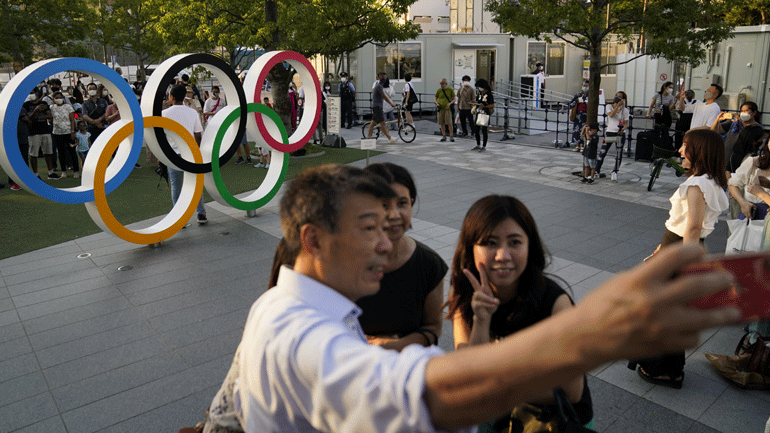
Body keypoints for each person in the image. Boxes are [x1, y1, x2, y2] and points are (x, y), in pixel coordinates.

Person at [214, 163, 739, 433]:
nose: (385, 242)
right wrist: (592, 334)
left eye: (390, 222)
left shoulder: (279, 307)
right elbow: (431, 395)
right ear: (312, 240)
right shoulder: (302, 332)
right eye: (369, 227)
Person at [446, 195, 593, 432]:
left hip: (554, 420)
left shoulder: (555, 304)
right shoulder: (466, 295)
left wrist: (496, 387)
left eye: (514, 242)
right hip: (498, 411)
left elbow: (572, 391)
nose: (503, 255)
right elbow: (471, 375)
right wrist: (481, 321)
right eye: (490, 243)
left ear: (529, 246)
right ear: (471, 247)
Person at [629, 128, 729, 389]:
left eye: (686, 146)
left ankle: (665, 370)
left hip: (682, 249)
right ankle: (669, 369)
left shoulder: (697, 184)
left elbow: (693, 227)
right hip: (678, 245)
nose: (680, 151)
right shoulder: (710, 180)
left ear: (700, 151)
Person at [356, 163, 446, 351]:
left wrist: (392, 346)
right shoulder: (345, 261)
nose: (394, 214)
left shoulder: (430, 265)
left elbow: (433, 327)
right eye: (384, 205)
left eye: (402, 203)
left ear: (412, 203)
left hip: (407, 369)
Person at [162, 84, 207, 225]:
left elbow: (161, 137)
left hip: (173, 154)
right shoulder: (192, 112)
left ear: (172, 97)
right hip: (191, 154)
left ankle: (179, 218)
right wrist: (196, 149)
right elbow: (198, 134)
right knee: (195, 185)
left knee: (176, 187)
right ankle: (201, 214)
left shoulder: (164, 114)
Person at [712, 101, 763, 172]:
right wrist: (717, 120)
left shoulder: (757, 128)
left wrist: (739, 124)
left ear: (754, 113)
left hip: (743, 160)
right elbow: (714, 130)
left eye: (746, 111)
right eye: (742, 111)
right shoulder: (734, 123)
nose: (743, 113)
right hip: (726, 157)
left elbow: (747, 139)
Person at [728, 135, 770, 220]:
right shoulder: (754, 162)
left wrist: (761, 194)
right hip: (749, 217)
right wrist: (743, 203)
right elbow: (733, 183)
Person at [23, 89, 59, 179]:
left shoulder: (43, 103)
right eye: (29, 93)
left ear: (36, 93)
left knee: (48, 152)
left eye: (32, 93)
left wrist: (37, 116)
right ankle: (36, 174)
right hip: (33, 132)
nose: (31, 95)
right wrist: (36, 111)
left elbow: (50, 115)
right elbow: (29, 118)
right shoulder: (26, 105)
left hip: (45, 130)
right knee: (34, 154)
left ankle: (50, 172)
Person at [596, 91, 629, 181]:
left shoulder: (625, 110)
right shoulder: (609, 107)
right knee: (603, 151)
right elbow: (611, 115)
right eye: (616, 96)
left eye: (620, 97)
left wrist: (623, 129)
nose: (617, 98)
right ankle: (597, 170)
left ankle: (615, 171)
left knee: (618, 153)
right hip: (610, 132)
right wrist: (617, 106)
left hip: (619, 133)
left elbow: (626, 123)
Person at [49, 91, 78, 179]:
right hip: (57, 133)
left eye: (60, 97)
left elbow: (72, 119)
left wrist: (72, 131)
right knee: (61, 153)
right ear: (53, 99)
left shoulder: (68, 107)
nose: (59, 99)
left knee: (72, 152)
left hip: (68, 132)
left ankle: (76, 171)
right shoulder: (51, 107)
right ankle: (63, 171)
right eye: (56, 98)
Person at [366, 74, 397, 143]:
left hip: (377, 106)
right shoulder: (379, 86)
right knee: (382, 123)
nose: (384, 79)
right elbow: (384, 97)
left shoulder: (380, 86)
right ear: (379, 78)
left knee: (373, 122)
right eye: (383, 78)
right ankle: (390, 138)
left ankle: (368, 136)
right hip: (377, 107)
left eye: (385, 78)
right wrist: (391, 104)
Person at [472, 78, 495, 152]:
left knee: (484, 130)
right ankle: (478, 144)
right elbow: (478, 101)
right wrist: (475, 103)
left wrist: (484, 106)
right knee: (476, 129)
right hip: (479, 113)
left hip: (485, 113)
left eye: (479, 86)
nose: (479, 88)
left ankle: (484, 146)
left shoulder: (489, 94)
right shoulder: (479, 93)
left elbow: (492, 104)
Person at [569, 80, 590, 152]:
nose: (585, 87)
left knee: (584, 129)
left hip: (586, 114)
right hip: (578, 114)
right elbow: (571, 103)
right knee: (576, 130)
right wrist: (577, 101)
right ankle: (577, 145)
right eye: (584, 86)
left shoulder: (590, 95)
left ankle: (583, 145)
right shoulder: (578, 94)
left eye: (586, 86)